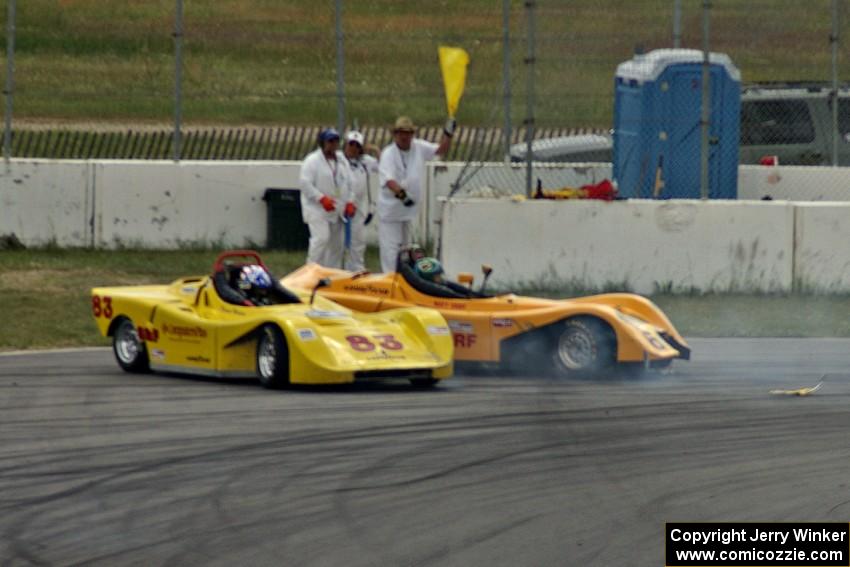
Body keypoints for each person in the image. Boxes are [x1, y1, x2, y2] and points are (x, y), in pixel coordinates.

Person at [377, 115, 455, 273]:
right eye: (401, 133)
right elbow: (389, 181)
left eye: (407, 133)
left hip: (408, 210)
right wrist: (402, 196)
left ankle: (404, 280)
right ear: (395, 134)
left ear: (412, 134)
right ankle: (389, 280)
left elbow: (441, 150)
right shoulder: (388, 154)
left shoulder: (418, 147)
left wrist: (448, 134)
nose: (404, 136)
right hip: (391, 211)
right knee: (391, 250)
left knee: (406, 250)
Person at [298, 128, 355, 268]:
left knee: (337, 244)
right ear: (322, 143)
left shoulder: (342, 160)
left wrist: (350, 202)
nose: (333, 144)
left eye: (336, 141)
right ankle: (310, 269)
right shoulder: (312, 160)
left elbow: (350, 182)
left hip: (337, 209)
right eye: (330, 141)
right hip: (317, 209)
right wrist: (321, 198)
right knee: (321, 239)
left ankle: (331, 272)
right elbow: (305, 184)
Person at [342, 130, 380, 271]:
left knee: (358, 240)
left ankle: (357, 269)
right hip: (341, 206)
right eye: (351, 144)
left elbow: (383, 167)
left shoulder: (366, 162)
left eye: (357, 146)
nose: (353, 148)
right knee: (338, 242)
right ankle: (338, 269)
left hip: (359, 206)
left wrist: (375, 150)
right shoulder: (339, 160)